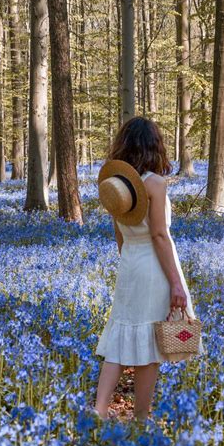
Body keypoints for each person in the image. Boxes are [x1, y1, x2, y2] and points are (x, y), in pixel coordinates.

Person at [93, 116, 204, 422]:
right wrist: (176, 283)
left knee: (118, 338)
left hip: (130, 264)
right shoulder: (155, 183)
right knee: (152, 344)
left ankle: (99, 411)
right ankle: (141, 417)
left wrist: (129, 260)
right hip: (154, 266)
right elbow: (159, 235)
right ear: (154, 145)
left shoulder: (116, 186)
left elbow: (119, 234)